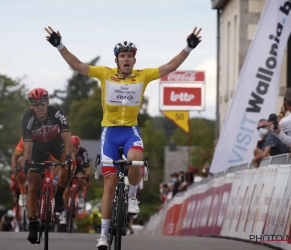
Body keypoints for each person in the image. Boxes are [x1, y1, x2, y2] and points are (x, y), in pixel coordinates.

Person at [44, 25, 202, 248]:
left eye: (130, 56)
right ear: (117, 60)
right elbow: (77, 65)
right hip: (109, 132)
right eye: (122, 56)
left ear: (134, 61)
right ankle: (104, 236)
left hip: (130, 131)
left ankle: (133, 196)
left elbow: (170, 66)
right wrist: (59, 45)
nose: (126, 60)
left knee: (136, 156)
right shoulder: (105, 73)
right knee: (109, 184)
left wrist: (188, 47)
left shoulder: (142, 75)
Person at [22, 87, 75, 244]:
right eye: (36, 104)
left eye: (43, 103)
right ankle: (32, 224)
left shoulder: (56, 113)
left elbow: (67, 139)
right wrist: (26, 162)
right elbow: (28, 145)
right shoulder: (27, 117)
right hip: (36, 148)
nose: (40, 107)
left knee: (70, 165)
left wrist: (69, 158)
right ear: (31, 105)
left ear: (48, 102)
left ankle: (59, 194)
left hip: (55, 143)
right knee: (32, 186)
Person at [60, 135, 91, 224]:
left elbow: (87, 166)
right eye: (72, 147)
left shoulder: (83, 152)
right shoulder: (66, 151)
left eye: (76, 147)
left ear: (79, 146)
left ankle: (80, 195)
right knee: (66, 191)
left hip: (79, 168)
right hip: (70, 169)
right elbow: (62, 166)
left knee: (80, 178)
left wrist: (87, 177)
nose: (74, 149)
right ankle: (64, 212)